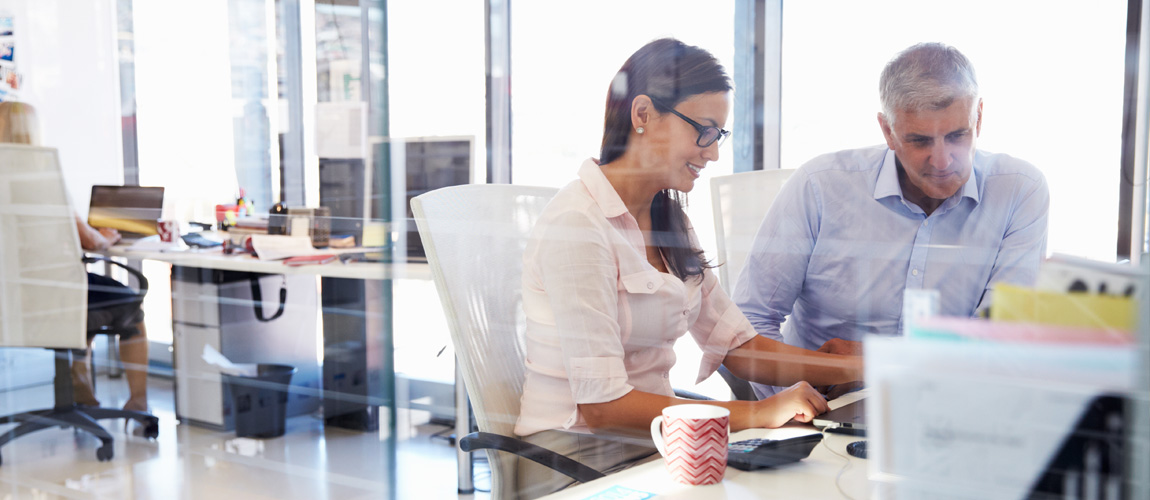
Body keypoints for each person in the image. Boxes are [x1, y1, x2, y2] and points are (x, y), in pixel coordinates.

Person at [513, 38, 863, 498]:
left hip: (651, 445)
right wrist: (759, 413)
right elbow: (601, 407)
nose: (712, 152)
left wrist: (859, 368)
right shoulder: (578, 223)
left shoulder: (669, 220)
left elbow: (739, 346)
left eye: (718, 135)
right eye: (704, 130)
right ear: (642, 115)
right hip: (577, 458)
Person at [733, 42, 1050, 399]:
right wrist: (791, 410)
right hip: (824, 410)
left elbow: (998, 340)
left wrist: (879, 359)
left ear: (978, 118)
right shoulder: (819, 186)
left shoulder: (1019, 190)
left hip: (944, 406)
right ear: (888, 131)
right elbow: (749, 322)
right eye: (919, 141)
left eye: (957, 135)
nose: (943, 160)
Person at [0, 100, 149, 413]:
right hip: (55, 295)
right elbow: (89, 241)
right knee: (127, 304)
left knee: (88, 299)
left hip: (12, 301)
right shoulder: (42, 180)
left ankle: (82, 387)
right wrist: (106, 235)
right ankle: (138, 402)